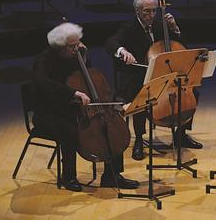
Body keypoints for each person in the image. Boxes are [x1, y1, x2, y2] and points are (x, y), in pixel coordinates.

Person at [33, 22, 139, 192]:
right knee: (70, 130)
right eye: (72, 46)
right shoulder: (44, 60)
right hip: (50, 112)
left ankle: (112, 176)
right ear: (59, 46)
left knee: (112, 126)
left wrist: (84, 55)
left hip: (76, 110)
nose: (76, 49)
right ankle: (68, 177)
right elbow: (42, 83)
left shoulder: (76, 55)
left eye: (78, 44)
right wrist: (73, 93)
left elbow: (89, 78)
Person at [106, 0, 202, 161]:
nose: (151, 15)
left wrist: (174, 28)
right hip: (138, 76)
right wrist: (123, 51)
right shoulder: (129, 28)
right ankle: (139, 140)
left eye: (154, 11)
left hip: (163, 76)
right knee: (141, 94)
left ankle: (180, 134)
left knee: (193, 91)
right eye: (147, 11)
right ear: (137, 11)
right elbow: (111, 42)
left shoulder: (160, 26)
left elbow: (182, 45)